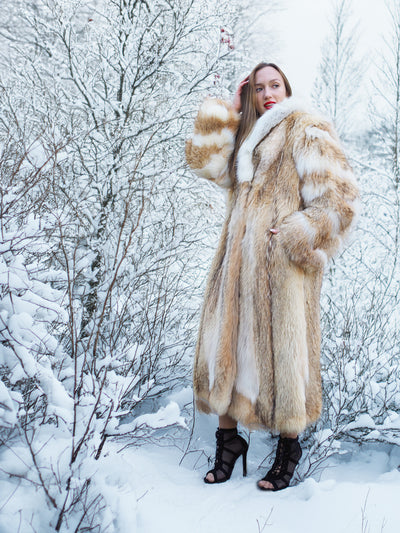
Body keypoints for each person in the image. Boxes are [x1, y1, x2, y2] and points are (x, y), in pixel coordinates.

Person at [185, 62, 359, 491]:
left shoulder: (305, 127)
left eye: (274, 85)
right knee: (226, 351)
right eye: (258, 88)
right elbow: (204, 163)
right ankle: (229, 444)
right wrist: (226, 110)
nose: (267, 94)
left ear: (287, 86)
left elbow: (341, 201)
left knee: (287, 357)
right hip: (235, 271)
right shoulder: (249, 136)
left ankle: (288, 450)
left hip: (282, 271)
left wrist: (300, 232)